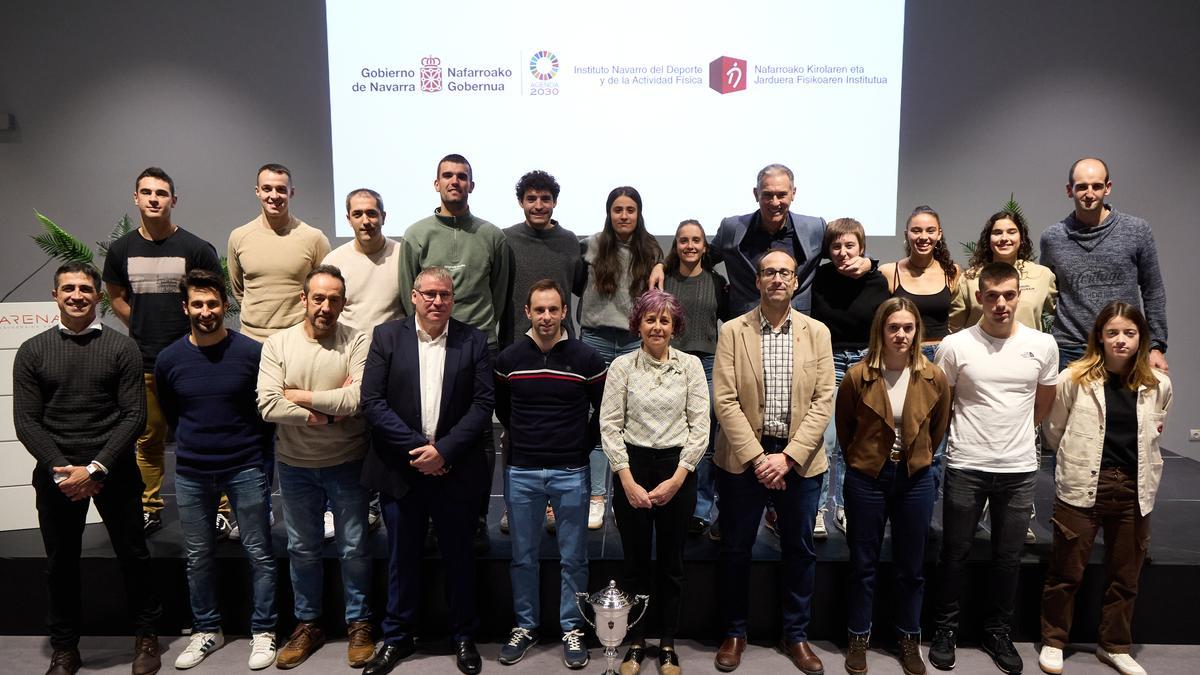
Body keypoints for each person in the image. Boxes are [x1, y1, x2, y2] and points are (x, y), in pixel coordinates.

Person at [13, 262, 161, 675]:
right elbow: (27, 421)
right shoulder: (32, 351)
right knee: (61, 563)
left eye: (84, 288)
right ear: (55, 295)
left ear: (98, 296)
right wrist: (64, 469)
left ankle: (146, 637)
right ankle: (65, 648)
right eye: (68, 289)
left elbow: (133, 416)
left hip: (113, 471)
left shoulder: (122, 347)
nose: (77, 295)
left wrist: (95, 469)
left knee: (134, 555)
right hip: (58, 476)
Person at [360, 266, 494, 675]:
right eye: (429, 294)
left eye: (445, 295)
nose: (437, 301)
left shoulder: (474, 340)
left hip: (455, 471)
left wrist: (444, 452)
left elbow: (483, 404)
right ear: (414, 296)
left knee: (459, 557)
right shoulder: (387, 337)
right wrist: (420, 450)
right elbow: (373, 401)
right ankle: (396, 638)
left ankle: (464, 637)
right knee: (402, 558)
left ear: (454, 300)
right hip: (401, 470)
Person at [928, 262, 1059, 675]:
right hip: (967, 462)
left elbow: (1043, 404)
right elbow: (943, 406)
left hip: (1019, 468)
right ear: (979, 297)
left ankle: (997, 631)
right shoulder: (955, 345)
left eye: (1009, 295)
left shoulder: (1043, 344)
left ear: (1019, 295)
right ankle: (945, 629)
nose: (1001, 304)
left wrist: (1015, 436)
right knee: (955, 553)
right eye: (992, 296)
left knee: (1008, 556)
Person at [712, 249, 834, 675]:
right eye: (769, 272)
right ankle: (734, 631)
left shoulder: (817, 332)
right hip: (745, 457)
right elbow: (725, 400)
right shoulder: (732, 331)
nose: (777, 278)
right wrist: (759, 457)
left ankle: (796, 635)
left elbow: (823, 401)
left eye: (785, 272)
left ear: (796, 281)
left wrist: (787, 457)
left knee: (799, 549)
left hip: (798, 458)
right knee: (735, 548)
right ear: (758, 281)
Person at [1038, 302, 1172, 675]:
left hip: (1134, 488)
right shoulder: (1074, 378)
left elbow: (1155, 432)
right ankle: (1053, 641)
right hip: (1083, 484)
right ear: (1099, 335)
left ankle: (1114, 645)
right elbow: (1054, 431)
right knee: (1066, 571)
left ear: (1141, 338)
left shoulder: (1158, 384)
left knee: (1126, 574)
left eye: (1129, 333)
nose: (1120, 340)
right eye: (1112, 332)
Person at [155, 269, 277, 670]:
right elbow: (174, 414)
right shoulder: (169, 359)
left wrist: (261, 466)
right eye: (197, 304)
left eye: (212, 303)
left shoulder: (251, 353)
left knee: (259, 552)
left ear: (226, 306)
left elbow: (264, 417)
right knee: (198, 556)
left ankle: (263, 631)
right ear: (185, 307)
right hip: (191, 473)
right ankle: (208, 630)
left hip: (245, 468)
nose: (205, 311)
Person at [257, 265, 375, 669]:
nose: (326, 307)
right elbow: (268, 404)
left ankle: (359, 623)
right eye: (319, 298)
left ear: (344, 303)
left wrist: (297, 395)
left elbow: (357, 401)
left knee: (355, 548)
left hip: (347, 462)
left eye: (334, 299)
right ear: (303, 299)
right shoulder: (277, 345)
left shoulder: (357, 341)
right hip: (295, 466)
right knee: (302, 549)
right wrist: (324, 411)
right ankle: (308, 624)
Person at [397, 153, 509, 551]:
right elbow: (404, 292)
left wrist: (483, 336)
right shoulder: (416, 234)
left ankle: (477, 515)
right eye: (448, 176)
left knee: (478, 434)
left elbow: (499, 294)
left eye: (462, 177)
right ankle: (429, 514)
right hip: (428, 346)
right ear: (436, 183)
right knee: (431, 428)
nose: (455, 182)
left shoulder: (492, 235)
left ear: (472, 185)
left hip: (478, 346)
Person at [102, 166, 222, 534]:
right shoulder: (121, 249)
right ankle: (150, 506)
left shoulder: (196, 248)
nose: (154, 199)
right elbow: (116, 296)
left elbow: (213, 298)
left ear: (174, 200)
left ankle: (222, 509)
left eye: (161, 193)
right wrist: (141, 326)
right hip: (146, 363)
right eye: (147, 192)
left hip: (194, 361)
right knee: (149, 439)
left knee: (208, 435)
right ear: (136, 198)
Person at [493, 279, 606, 669]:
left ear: (564, 313)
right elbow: (504, 411)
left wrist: (579, 446)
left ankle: (572, 629)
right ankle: (525, 626)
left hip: (571, 471)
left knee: (573, 558)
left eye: (553, 310)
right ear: (527, 312)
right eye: (538, 310)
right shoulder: (508, 360)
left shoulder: (587, 359)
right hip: (521, 472)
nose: (546, 317)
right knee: (523, 557)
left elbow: (602, 413)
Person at [834, 298, 951, 675]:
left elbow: (938, 430)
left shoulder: (934, 377)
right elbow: (845, 429)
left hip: (916, 477)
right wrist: (864, 460)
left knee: (911, 566)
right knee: (862, 563)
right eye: (893, 328)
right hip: (867, 477)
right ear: (880, 331)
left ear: (917, 331)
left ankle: (908, 638)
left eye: (908, 328)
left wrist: (918, 459)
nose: (900, 335)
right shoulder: (857, 376)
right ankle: (858, 637)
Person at [601, 289, 709, 675]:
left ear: (675, 326)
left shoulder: (692, 367)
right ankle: (635, 642)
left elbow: (700, 427)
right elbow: (610, 425)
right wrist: (625, 479)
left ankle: (666, 643)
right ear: (639, 325)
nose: (657, 326)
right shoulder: (621, 366)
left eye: (665, 320)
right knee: (634, 564)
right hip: (633, 468)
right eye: (650, 319)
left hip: (676, 469)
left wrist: (678, 479)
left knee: (671, 564)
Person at [579, 186, 662, 530]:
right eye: (618, 209)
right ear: (609, 212)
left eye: (630, 209)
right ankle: (597, 496)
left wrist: (658, 261)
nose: (624, 215)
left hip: (631, 343)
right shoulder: (591, 245)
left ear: (639, 213)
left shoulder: (652, 249)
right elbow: (575, 286)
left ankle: (623, 495)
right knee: (600, 421)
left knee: (629, 421)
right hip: (596, 339)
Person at [323, 187, 404, 537]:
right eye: (358, 214)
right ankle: (359, 508)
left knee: (391, 436)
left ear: (384, 216)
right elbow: (330, 316)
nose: (366, 220)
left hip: (397, 362)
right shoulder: (336, 261)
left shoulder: (403, 256)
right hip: (352, 362)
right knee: (352, 438)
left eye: (372, 213)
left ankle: (393, 505)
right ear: (348, 219)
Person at [1039, 157, 1168, 373]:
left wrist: (1156, 346)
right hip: (1070, 350)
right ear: (1069, 190)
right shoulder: (1053, 238)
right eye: (1081, 187)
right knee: (1071, 409)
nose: (1089, 194)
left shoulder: (1136, 230)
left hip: (1122, 346)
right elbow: (1045, 294)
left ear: (1107, 188)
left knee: (1124, 408)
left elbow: (1153, 290)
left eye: (1096, 186)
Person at [811, 217, 890, 537]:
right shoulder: (819, 277)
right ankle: (817, 511)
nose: (843, 252)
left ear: (861, 247)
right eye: (836, 246)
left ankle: (845, 507)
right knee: (824, 440)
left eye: (850, 245)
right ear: (828, 250)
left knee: (854, 442)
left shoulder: (877, 280)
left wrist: (870, 265)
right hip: (829, 361)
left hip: (865, 362)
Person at [660, 219, 730, 538]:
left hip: (708, 364)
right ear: (676, 246)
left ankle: (700, 509)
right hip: (671, 364)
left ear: (705, 246)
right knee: (672, 435)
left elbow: (727, 320)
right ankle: (671, 500)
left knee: (705, 438)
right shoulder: (664, 280)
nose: (690, 246)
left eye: (696, 240)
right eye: (683, 240)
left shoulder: (717, 281)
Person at [228, 162, 331, 342]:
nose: (274, 196)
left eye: (281, 189)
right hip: (251, 340)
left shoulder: (314, 238)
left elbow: (326, 290)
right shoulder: (239, 236)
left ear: (291, 192)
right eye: (267, 189)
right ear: (257, 191)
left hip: (297, 340)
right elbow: (238, 289)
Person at [500, 170, 585, 347]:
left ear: (555, 201)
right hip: (515, 344)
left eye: (545, 199)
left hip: (562, 344)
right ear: (520, 202)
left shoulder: (570, 241)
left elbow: (580, 286)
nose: (538, 206)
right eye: (531, 199)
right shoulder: (506, 240)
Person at [949, 209, 1057, 333]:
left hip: (1027, 351)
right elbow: (953, 326)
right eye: (997, 233)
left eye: (1011, 232)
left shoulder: (1042, 275)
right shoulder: (969, 279)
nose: (1004, 238)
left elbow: (1061, 314)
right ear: (988, 239)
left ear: (1021, 238)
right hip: (981, 351)